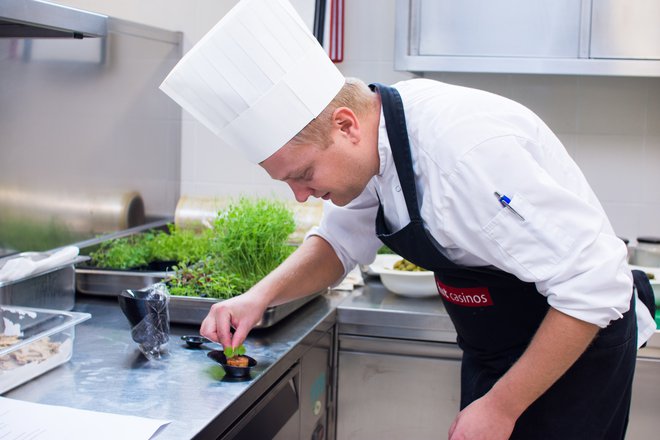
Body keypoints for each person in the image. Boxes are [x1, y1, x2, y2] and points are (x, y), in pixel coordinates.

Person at [160, 1, 656, 438]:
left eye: (305, 173)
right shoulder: (375, 147)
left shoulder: (465, 156)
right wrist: (258, 297)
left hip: (574, 354)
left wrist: (503, 406)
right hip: (496, 352)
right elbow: (339, 242)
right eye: (288, 181)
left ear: (346, 125)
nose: (300, 195)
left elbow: (595, 285)